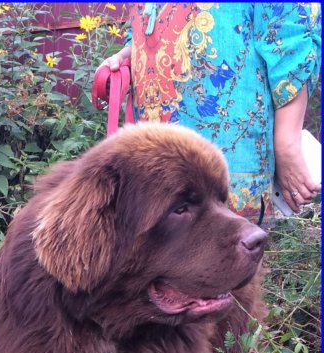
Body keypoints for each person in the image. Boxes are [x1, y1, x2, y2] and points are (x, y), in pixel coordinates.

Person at [97, 3, 321, 225]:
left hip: (230, 145)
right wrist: (125, 54)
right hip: (154, 147)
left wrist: (286, 142)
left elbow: (288, 28)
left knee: (227, 246)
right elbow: (145, 20)